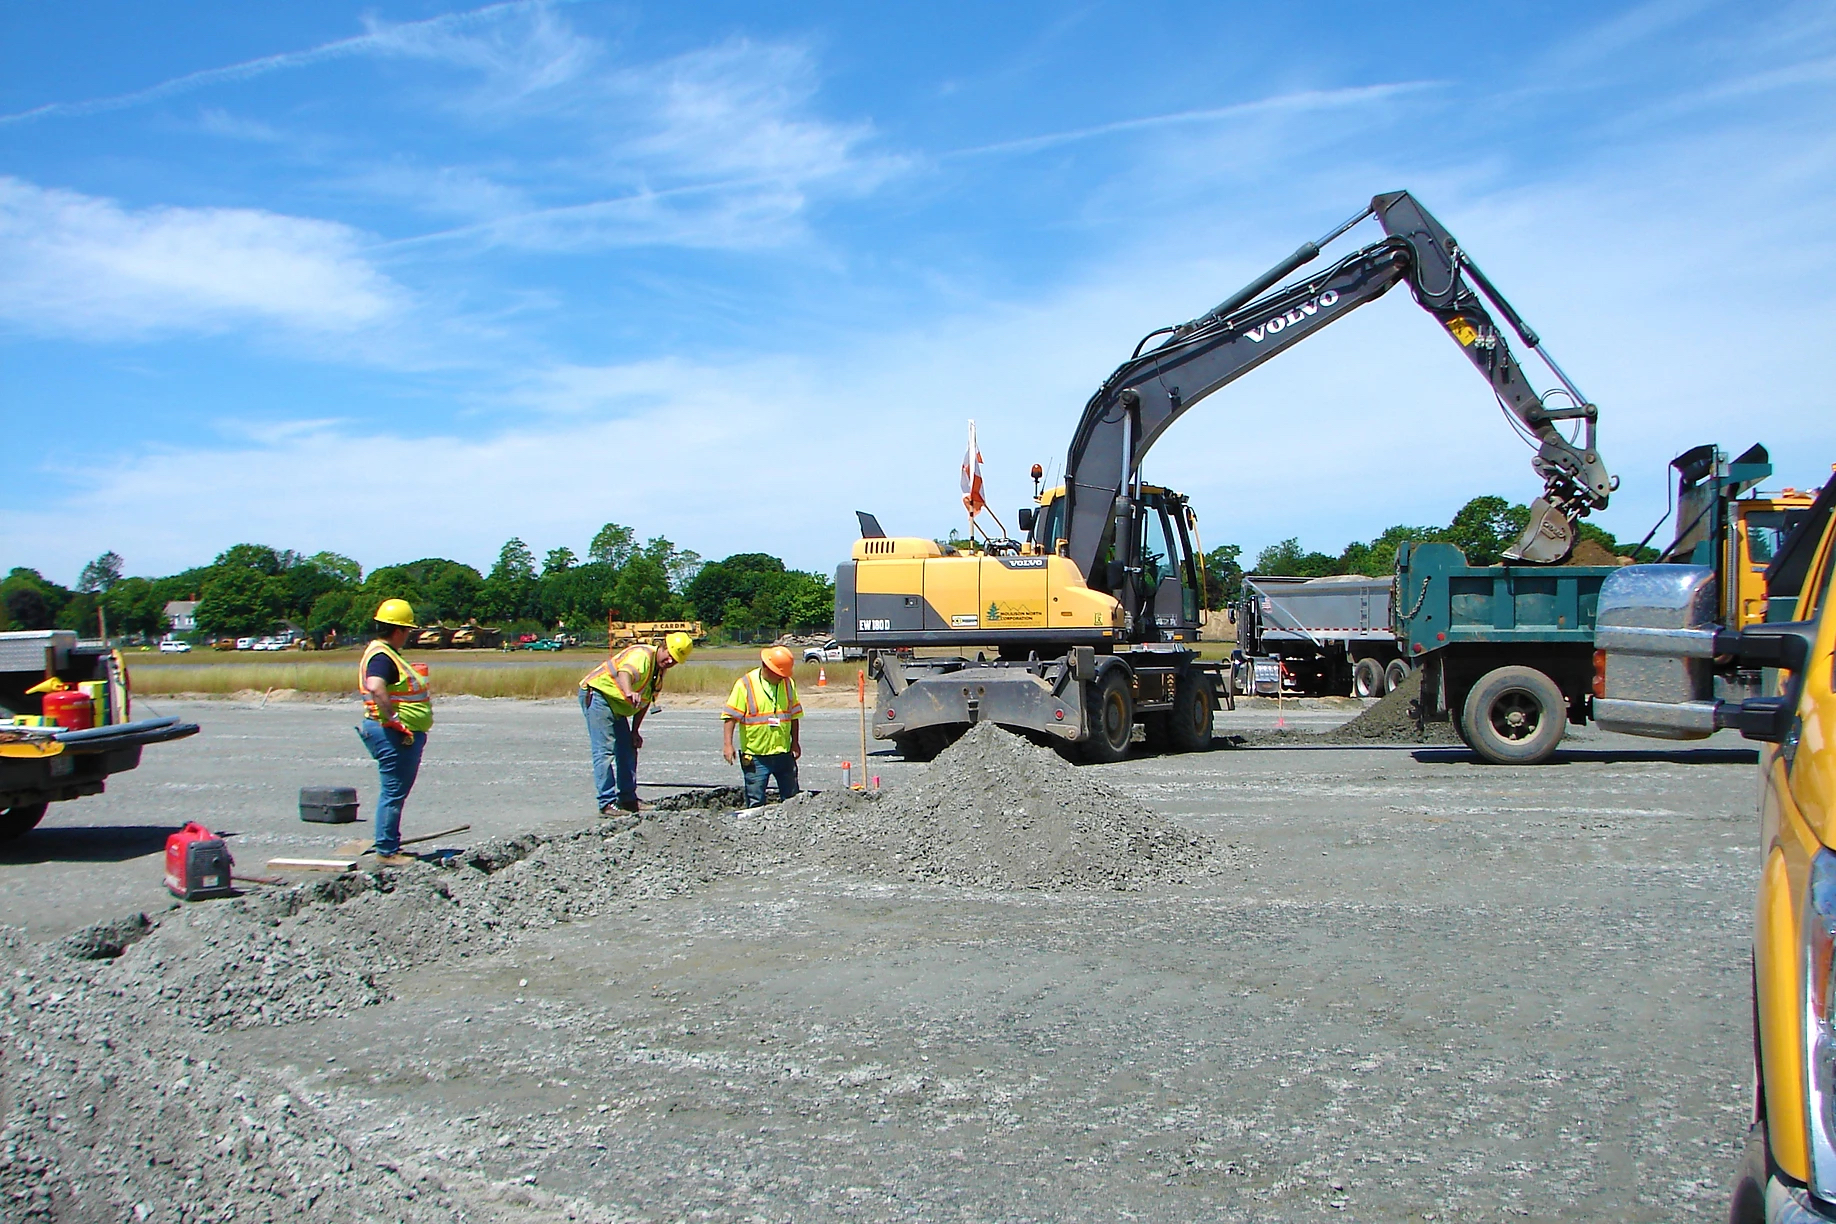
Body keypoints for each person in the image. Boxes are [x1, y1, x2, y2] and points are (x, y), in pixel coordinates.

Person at [579, 631, 694, 814]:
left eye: (676, 660)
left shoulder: (658, 673)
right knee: (604, 750)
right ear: (663, 647)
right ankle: (607, 802)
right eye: (670, 656)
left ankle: (628, 799)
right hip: (599, 696)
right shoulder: (642, 655)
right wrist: (628, 691)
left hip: (617, 706)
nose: (671, 662)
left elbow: (645, 702)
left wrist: (635, 731)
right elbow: (625, 673)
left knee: (627, 749)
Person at [356, 598, 432, 865]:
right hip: (392, 733)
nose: (408, 636)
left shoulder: (385, 653)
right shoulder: (382, 656)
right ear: (398, 630)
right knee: (394, 790)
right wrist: (394, 719)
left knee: (395, 790)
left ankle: (389, 844)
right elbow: (376, 686)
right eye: (408, 631)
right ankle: (387, 850)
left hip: (393, 731)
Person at [722, 646, 804, 807]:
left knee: (792, 800)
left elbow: (794, 716)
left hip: (783, 753)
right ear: (767, 667)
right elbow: (731, 717)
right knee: (756, 801)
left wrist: (795, 742)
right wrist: (728, 745)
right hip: (756, 755)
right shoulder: (745, 685)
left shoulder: (787, 684)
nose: (782, 677)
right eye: (779, 674)